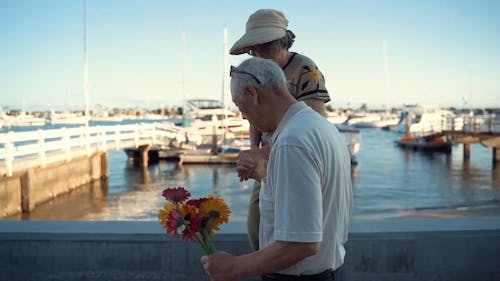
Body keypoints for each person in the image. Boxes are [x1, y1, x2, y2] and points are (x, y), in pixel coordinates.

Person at [201, 58, 352, 281]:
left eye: (238, 104)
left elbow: (302, 244)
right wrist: (268, 178)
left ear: (253, 93)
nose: (242, 115)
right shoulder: (321, 127)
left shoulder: (292, 142)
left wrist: (234, 267)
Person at [230, 9, 332, 251]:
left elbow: (311, 124)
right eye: (254, 50)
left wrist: (260, 155)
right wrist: (254, 152)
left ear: (282, 43)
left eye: (265, 48)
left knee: (289, 227)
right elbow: (254, 117)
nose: (259, 56)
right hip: (268, 156)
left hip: (295, 155)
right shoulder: (257, 71)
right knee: (257, 224)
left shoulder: (306, 70)